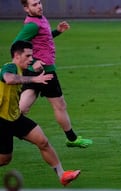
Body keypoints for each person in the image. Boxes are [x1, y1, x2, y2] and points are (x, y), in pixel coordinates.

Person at [0, 40, 80, 186]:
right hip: (2, 121)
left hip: (15, 118)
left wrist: (36, 70)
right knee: (5, 159)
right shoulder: (9, 67)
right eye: (28, 56)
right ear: (17, 56)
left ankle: (62, 175)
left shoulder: (22, 69)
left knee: (43, 142)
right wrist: (35, 78)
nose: (31, 59)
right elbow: (9, 79)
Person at [14, 0, 92, 148]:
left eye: (39, 3)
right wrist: (33, 61)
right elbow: (16, 45)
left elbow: (41, 40)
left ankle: (5, 128)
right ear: (26, 8)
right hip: (45, 71)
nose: (39, 6)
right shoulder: (32, 25)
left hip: (34, 72)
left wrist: (56, 32)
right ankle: (72, 138)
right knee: (60, 105)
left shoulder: (39, 19)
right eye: (34, 4)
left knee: (22, 108)